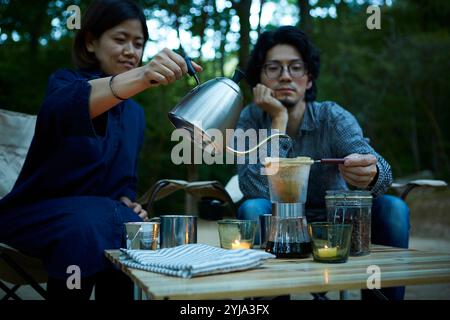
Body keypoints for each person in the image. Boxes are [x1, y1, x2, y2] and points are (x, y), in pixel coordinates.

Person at [0, 0, 201, 300]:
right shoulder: (65, 83)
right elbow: (63, 108)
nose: (131, 51)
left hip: (97, 220)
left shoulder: (136, 115)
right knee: (91, 221)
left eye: (139, 43)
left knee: (131, 225)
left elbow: (124, 187)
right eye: (120, 39)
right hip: (34, 217)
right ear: (91, 42)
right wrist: (143, 76)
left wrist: (129, 203)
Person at [235, 26, 409, 300]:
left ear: (309, 79)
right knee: (253, 208)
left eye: (295, 67)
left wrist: (370, 174)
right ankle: (267, 298)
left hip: (338, 224)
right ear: (260, 80)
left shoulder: (332, 117)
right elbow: (253, 187)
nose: (285, 76)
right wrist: (278, 121)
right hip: (281, 226)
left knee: (393, 208)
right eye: (273, 68)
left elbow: (383, 174)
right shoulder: (250, 119)